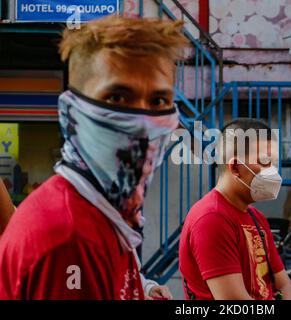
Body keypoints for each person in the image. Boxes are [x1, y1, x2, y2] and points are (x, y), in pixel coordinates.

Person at [0, 15, 187, 300]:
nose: (142, 120)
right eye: (117, 98)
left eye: (158, 101)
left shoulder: (107, 212)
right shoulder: (68, 236)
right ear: (72, 112)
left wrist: (143, 288)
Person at [179, 118, 291, 300]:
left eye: (274, 163)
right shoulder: (211, 219)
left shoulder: (256, 218)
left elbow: (282, 283)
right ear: (235, 167)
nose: (273, 172)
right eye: (265, 162)